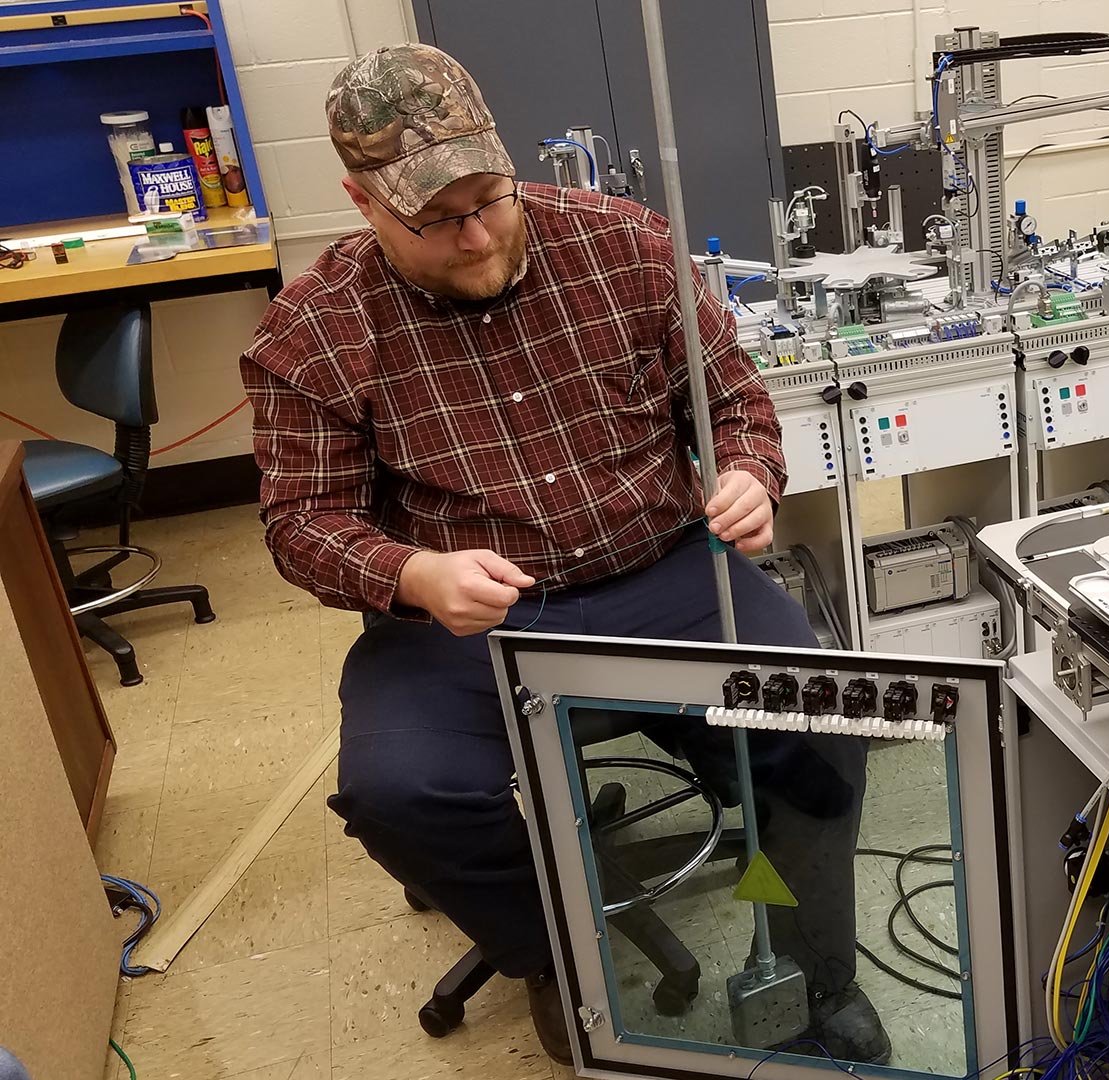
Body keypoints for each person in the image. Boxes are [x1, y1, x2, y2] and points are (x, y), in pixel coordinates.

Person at [240, 43, 884, 1064]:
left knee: (818, 717)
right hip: (467, 613)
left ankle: (817, 969)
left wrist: (752, 474)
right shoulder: (313, 331)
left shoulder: (624, 244)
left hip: (663, 568)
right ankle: (556, 955)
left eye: (489, 200)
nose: (477, 234)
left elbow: (734, 403)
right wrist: (411, 574)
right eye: (436, 219)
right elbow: (300, 525)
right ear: (362, 201)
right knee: (399, 793)